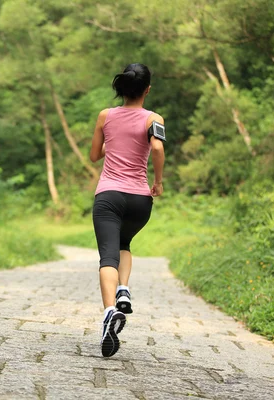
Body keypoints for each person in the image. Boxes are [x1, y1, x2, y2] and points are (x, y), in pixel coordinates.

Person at [89, 63, 165, 357]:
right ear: (147, 90)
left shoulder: (105, 116)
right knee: (124, 243)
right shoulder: (153, 119)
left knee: (108, 254)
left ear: (121, 89)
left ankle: (110, 312)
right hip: (139, 200)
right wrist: (157, 181)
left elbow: (95, 155)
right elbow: (157, 149)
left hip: (108, 195)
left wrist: (113, 147)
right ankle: (124, 289)